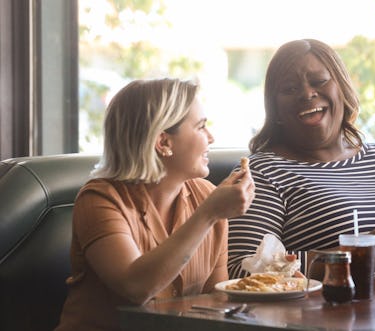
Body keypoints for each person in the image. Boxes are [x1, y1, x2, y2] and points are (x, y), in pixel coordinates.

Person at [227, 39, 375, 279]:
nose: (307, 94)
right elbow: (242, 268)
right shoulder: (261, 173)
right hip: (339, 314)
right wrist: (358, 253)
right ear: (275, 110)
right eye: (289, 89)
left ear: (342, 89)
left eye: (319, 81)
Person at [55, 78, 255, 331]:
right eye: (201, 127)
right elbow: (135, 288)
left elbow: (215, 303)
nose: (211, 138)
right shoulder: (100, 200)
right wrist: (208, 215)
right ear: (163, 143)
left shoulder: (207, 195)